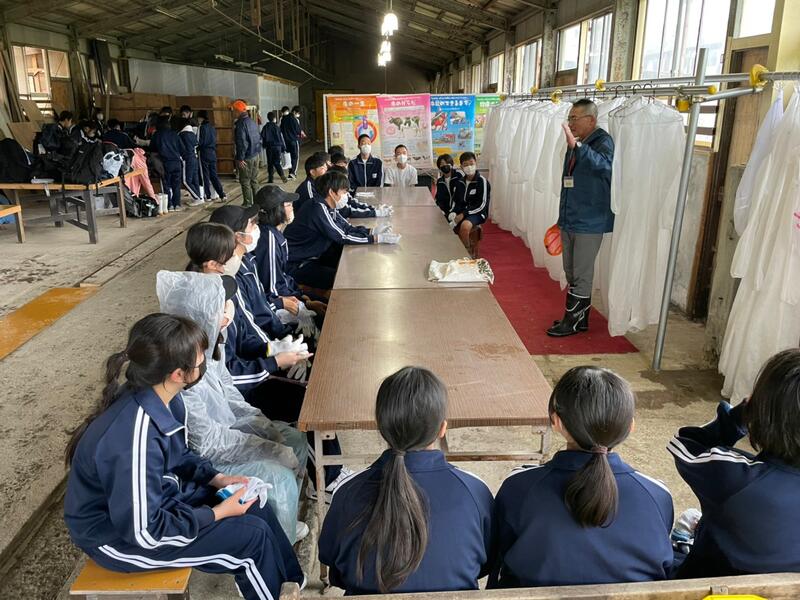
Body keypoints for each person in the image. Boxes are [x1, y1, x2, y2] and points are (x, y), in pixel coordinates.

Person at [62, 313, 305, 600]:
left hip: (160, 501)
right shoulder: (132, 437)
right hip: (118, 539)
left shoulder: (165, 397)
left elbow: (179, 456)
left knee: (253, 504)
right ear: (178, 373)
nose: (205, 362)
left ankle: (292, 584)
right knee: (251, 539)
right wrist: (217, 513)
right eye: (201, 357)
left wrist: (217, 478)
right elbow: (145, 532)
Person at [156, 270, 310, 543]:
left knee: (294, 440)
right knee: (280, 477)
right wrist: (265, 446)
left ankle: (282, 519)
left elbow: (232, 397)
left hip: (228, 437)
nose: (230, 308)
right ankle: (280, 544)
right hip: (205, 461)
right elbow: (206, 444)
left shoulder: (212, 347)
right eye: (223, 304)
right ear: (203, 314)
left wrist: (265, 429)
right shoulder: (183, 370)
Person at [490, 366, 673, 588]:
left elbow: (498, 551)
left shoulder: (519, 487)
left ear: (556, 422)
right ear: (630, 426)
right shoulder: (656, 494)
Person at [319, 366, 494, 594]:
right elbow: (485, 563)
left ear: (380, 427)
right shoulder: (474, 492)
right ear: (442, 429)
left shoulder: (347, 493)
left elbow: (334, 566)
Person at [668, 348, 800, 578]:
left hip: (709, 586)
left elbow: (684, 444)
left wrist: (737, 418)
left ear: (761, 411)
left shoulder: (732, 474)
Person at [547, 98, 614, 338]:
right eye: (569, 118)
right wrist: (561, 218)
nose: (571, 123)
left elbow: (606, 167)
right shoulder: (578, 142)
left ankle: (572, 321)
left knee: (581, 272)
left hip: (589, 220)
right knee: (570, 270)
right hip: (571, 217)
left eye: (575, 118)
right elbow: (569, 182)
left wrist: (578, 147)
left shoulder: (602, 141)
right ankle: (579, 317)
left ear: (591, 120)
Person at [284, 171, 400, 290]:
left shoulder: (328, 206)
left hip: (314, 255)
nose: (346, 195)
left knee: (350, 263)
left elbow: (346, 227)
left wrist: (371, 231)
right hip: (297, 264)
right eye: (344, 192)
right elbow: (342, 237)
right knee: (342, 279)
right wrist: (376, 238)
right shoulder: (318, 208)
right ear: (331, 192)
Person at [253, 185, 327, 318]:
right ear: (277, 210)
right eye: (288, 205)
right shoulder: (268, 240)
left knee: (328, 303)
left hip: (288, 292)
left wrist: (302, 296)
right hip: (278, 305)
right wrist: (304, 303)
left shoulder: (274, 233)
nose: (292, 207)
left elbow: (282, 276)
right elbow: (273, 290)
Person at [450, 152, 490, 257]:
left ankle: (467, 253)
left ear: (476, 163)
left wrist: (463, 214)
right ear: (461, 167)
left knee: (465, 226)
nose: (469, 167)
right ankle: (453, 249)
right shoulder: (460, 182)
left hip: (478, 213)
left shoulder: (482, 181)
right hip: (463, 211)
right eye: (465, 164)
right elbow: (456, 200)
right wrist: (453, 212)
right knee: (445, 223)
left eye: (471, 163)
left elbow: (482, 204)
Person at [232, 100, 262, 208]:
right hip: (255, 155)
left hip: (246, 157)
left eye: (234, 110)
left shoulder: (240, 124)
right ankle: (258, 202)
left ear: (238, 111)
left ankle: (247, 204)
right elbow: (258, 138)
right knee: (254, 180)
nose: (233, 113)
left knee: (245, 181)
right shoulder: (252, 121)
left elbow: (242, 143)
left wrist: (240, 158)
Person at [150, 116, 183, 211]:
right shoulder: (175, 134)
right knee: (176, 184)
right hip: (177, 162)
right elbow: (182, 148)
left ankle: (170, 205)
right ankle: (177, 204)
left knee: (166, 184)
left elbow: (152, 148)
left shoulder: (157, 135)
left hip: (165, 163)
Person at [197, 110, 227, 202]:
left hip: (204, 153)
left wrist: (197, 147)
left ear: (201, 118)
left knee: (205, 175)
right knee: (214, 175)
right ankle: (222, 194)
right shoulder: (212, 127)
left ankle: (208, 196)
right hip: (213, 153)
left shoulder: (201, 127)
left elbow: (200, 142)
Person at [177, 117, 204, 206]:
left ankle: (197, 198)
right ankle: (199, 197)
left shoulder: (182, 135)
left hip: (187, 159)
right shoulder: (192, 133)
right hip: (194, 157)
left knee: (186, 181)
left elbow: (181, 148)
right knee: (195, 179)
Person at [260, 111, 287, 184]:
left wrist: (264, 145)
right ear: (274, 118)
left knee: (270, 163)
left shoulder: (265, 127)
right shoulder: (277, 127)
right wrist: (283, 148)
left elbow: (262, 137)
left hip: (269, 147)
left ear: (268, 118)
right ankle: (282, 176)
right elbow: (281, 138)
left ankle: (270, 179)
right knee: (277, 162)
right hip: (277, 147)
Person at [280, 105, 302, 180]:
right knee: (295, 157)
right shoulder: (294, 119)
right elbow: (298, 131)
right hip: (294, 141)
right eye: (298, 113)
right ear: (294, 112)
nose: (298, 115)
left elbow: (281, 130)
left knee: (289, 157)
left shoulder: (283, 119)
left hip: (286, 142)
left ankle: (290, 173)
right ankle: (293, 173)